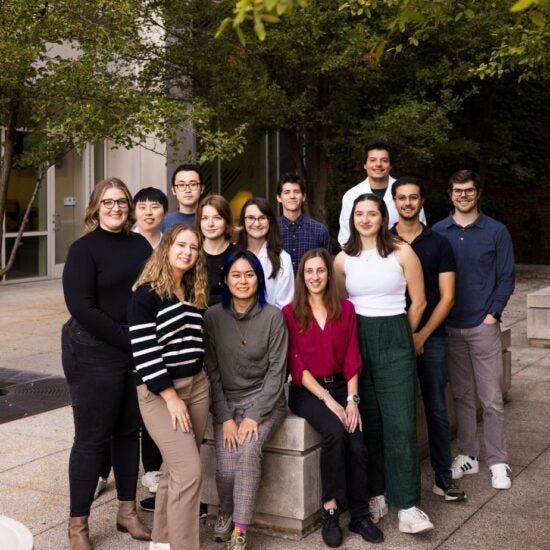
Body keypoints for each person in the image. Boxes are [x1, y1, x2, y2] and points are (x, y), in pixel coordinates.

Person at [334, 193, 433, 535]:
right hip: (356, 338)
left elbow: (418, 302)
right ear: (352, 219)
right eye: (359, 214)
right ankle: (375, 493)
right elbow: (338, 306)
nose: (364, 219)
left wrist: (401, 339)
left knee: (401, 422)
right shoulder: (343, 259)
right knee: (369, 423)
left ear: (382, 216)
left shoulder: (402, 251)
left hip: (395, 334)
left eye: (371, 213)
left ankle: (407, 504)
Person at [61, 178, 152, 549]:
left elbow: (150, 290)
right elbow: (82, 308)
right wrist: (130, 339)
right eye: (108, 202)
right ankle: (78, 525)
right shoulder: (84, 250)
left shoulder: (140, 244)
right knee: (91, 440)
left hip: (134, 351)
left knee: (130, 433)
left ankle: (127, 512)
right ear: (96, 207)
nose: (116, 208)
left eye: (122, 202)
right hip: (93, 351)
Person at [283, 249, 383, 547]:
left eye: (320, 271)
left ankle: (360, 514)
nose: (315, 276)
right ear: (302, 276)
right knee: (334, 435)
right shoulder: (289, 313)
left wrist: (352, 400)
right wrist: (327, 398)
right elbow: (295, 364)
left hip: (344, 387)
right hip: (308, 392)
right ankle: (330, 509)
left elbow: (353, 355)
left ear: (329, 274)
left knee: (356, 440)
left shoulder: (346, 309)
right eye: (309, 271)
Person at [127, 223, 210, 550]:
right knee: (189, 474)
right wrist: (172, 397)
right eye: (181, 245)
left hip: (197, 386)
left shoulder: (192, 291)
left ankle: (161, 541)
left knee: (175, 471)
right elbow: (145, 354)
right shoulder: (146, 295)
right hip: (161, 393)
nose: (187, 252)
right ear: (167, 248)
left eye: (193, 247)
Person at [433, 170, 515, 490]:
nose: (462, 195)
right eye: (457, 190)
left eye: (468, 190)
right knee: (462, 396)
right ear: (450, 193)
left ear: (478, 193)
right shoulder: (439, 230)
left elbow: (506, 276)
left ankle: (497, 460)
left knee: (492, 398)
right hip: (451, 327)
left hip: (483, 326)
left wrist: (493, 314)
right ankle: (468, 454)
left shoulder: (496, 231)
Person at [204, 249, 287, 550]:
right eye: (236, 275)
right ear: (225, 279)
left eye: (250, 275)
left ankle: (240, 529)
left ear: (259, 280)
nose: (243, 281)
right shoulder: (212, 317)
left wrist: (254, 415)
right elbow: (211, 372)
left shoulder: (273, 316)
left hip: (265, 400)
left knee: (249, 450)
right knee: (226, 468)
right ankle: (225, 512)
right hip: (227, 401)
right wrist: (225, 417)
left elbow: (278, 372)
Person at [390, 177, 466, 502]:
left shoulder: (439, 243)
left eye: (413, 197)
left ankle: (443, 477)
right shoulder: (383, 242)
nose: (407, 203)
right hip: (393, 340)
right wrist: (407, 338)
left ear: (422, 201)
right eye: (402, 198)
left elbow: (447, 298)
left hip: (431, 338)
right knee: (397, 411)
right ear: (394, 201)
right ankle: (395, 484)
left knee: (436, 408)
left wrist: (421, 334)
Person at [338, 138, 426, 246]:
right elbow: (346, 236)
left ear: (390, 165)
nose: (378, 164)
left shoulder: (406, 190)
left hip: (403, 256)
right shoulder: (351, 196)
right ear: (365, 164)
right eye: (373, 160)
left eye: (384, 160)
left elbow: (421, 229)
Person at [237, 197, 294, 308]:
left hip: (270, 323)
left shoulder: (283, 258)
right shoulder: (232, 253)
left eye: (262, 218)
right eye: (250, 218)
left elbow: (284, 304)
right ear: (243, 221)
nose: (257, 223)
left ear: (270, 221)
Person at [276, 173, 332, 275]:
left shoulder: (319, 231)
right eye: (287, 192)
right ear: (279, 198)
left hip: (310, 290)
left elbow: (327, 268)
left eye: (297, 192)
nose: (292, 196)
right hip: (278, 290)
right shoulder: (271, 230)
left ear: (304, 196)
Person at [197, 194, 238, 306]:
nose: (210, 224)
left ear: (227, 221)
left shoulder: (238, 257)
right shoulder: (191, 254)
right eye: (205, 218)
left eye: (217, 218)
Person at [162, 163, 204, 232]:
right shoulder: (164, 222)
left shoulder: (210, 221)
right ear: (173, 190)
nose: (187, 190)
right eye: (181, 185)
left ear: (202, 188)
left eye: (193, 184)